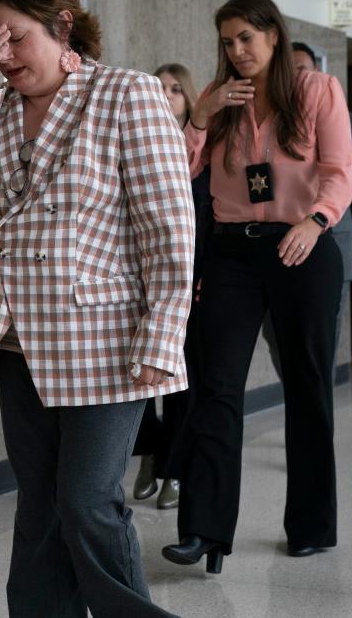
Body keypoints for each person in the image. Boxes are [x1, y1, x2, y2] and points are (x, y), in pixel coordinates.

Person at [0, 0, 194, 618]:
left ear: (62, 25)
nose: (4, 55)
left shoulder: (126, 93)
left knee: (87, 501)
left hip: (107, 344)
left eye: (13, 37)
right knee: (40, 505)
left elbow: (169, 226)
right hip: (18, 342)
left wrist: (162, 333)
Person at [161, 0, 352, 573]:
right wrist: (199, 115)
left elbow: (338, 173)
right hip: (231, 254)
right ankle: (203, 531)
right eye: (227, 41)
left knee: (307, 383)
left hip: (303, 246)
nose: (237, 50)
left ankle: (312, 525)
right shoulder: (220, 104)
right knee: (214, 386)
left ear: (274, 35)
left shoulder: (318, 91)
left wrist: (315, 222)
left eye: (246, 37)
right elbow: (176, 170)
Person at [262, 43, 352, 377]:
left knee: (319, 350)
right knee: (279, 342)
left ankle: (316, 414)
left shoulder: (349, 120)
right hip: (276, 245)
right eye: (289, 70)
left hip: (331, 245)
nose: (297, 77)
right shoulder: (265, 116)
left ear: (317, 71)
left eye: (303, 69)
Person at [131, 63, 201, 510]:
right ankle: (149, 451)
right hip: (134, 280)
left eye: (177, 89)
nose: (168, 95)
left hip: (190, 282)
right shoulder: (134, 141)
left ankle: (175, 469)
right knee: (134, 378)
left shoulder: (202, 152)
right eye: (160, 87)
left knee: (179, 383)